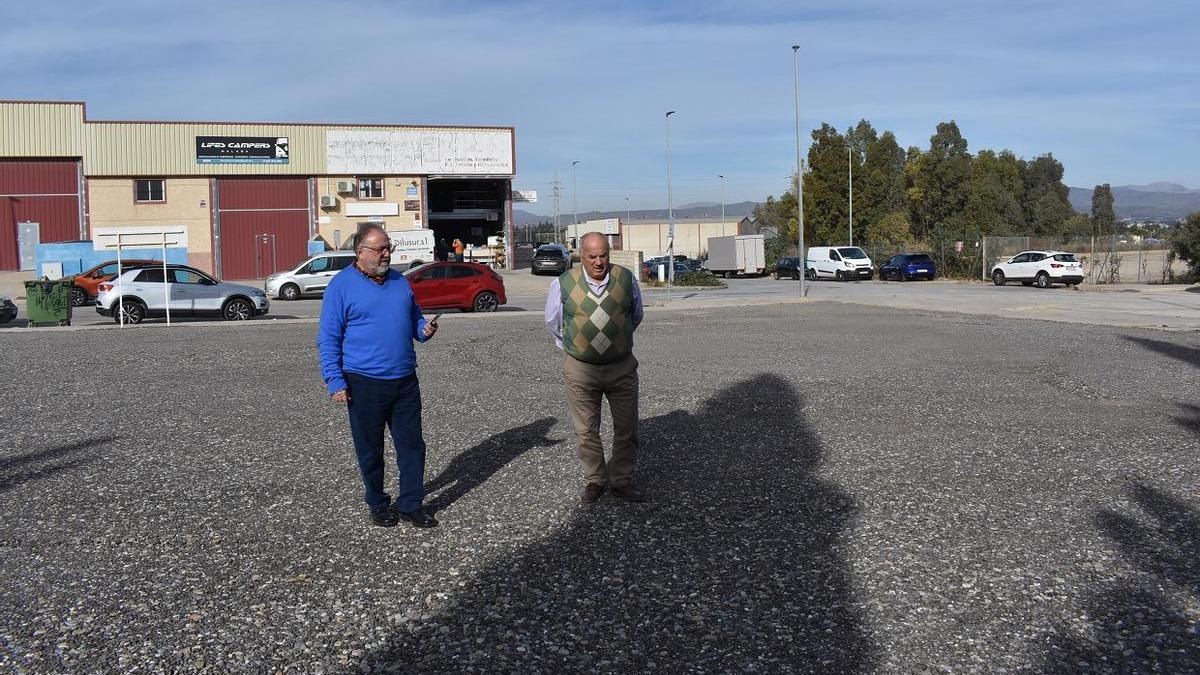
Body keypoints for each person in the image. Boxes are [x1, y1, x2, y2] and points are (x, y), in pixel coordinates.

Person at [318, 225, 440, 528]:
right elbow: (328, 338)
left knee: (412, 446)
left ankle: (411, 503)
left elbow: (414, 318)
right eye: (380, 248)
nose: (387, 254)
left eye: (388, 247)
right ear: (361, 252)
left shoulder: (400, 281)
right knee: (370, 449)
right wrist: (335, 380)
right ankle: (377, 502)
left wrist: (423, 330)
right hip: (363, 382)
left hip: (404, 380)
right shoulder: (341, 286)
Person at [544, 232, 645, 503]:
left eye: (603, 256)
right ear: (581, 256)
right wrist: (575, 348)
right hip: (581, 369)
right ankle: (596, 480)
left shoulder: (626, 279)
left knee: (627, 427)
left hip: (621, 367)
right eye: (592, 257)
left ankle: (621, 480)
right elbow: (554, 322)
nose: (598, 262)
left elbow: (635, 315)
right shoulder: (563, 283)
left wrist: (616, 342)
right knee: (586, 429)